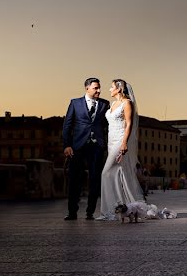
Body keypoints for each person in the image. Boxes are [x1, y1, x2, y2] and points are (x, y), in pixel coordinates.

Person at [96, 79, 154, 220]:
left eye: (112, 87)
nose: (109, 90)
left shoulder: (127, 103)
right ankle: (121, 208)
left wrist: (124, 143)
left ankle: (109, 211)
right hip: (111, 140)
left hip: (120, 141)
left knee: (105, 173)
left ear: (119, 89)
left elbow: (129, 124)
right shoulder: (112, 104)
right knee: (118, 172)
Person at [62, 77, 109, 220]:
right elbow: (67, 125)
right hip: (78, 146)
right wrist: (67, 145)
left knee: (95, 179)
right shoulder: (75, 103)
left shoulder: (104, 104)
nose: (99, 90)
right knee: (74, 179)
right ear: (87, 88)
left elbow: (107, 125)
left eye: (99, 88)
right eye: (96, 88)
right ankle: (72, 212)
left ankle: (90, 212)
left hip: (96, 147)